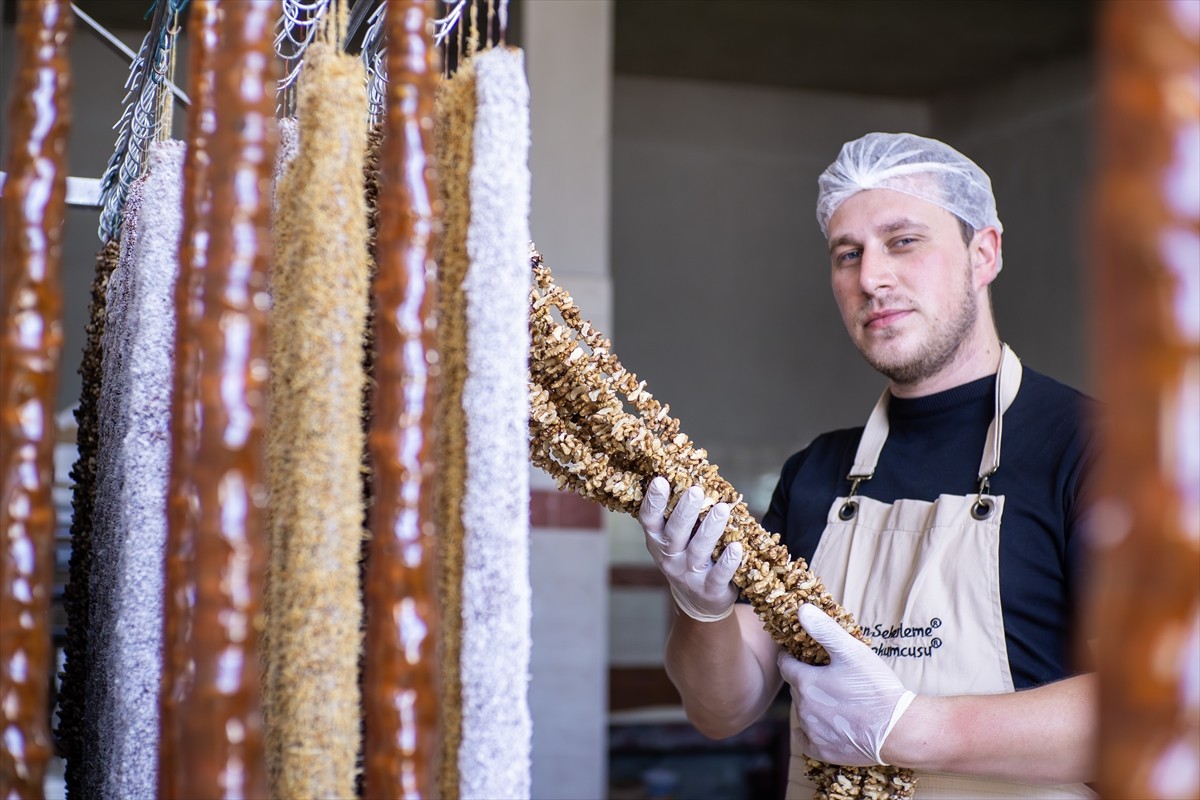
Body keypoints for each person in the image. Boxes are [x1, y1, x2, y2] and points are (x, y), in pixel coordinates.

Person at [638, 132, 1098, 798]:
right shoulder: (817, 474)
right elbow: (722, 710)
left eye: (903, 241)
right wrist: (700, 608)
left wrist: (912, 729)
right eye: (847, 254)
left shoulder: (1090, 449)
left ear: (984, 253)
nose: (870, 278)